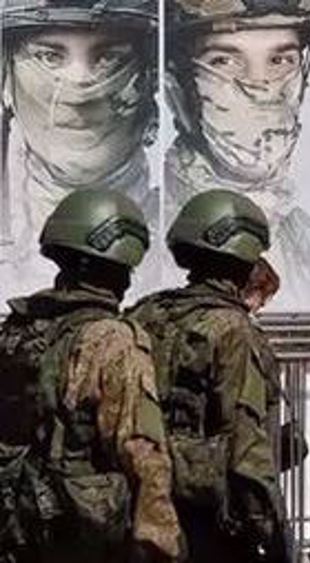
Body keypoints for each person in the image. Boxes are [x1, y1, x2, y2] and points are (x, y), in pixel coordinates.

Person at [0, 189, 181, 562]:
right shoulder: (113, 338)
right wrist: (160, 545)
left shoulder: (21, 327)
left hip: (18, 524)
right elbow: (142, 450)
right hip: (81, 535)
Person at [127, 190, 290, 563]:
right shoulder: (232, 330)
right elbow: (246, 446)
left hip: (142, 503)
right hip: (206, 519)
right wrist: (273, 533)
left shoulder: (144, 314)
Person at [0, 0, 158, 294]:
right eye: (48, 56)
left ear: (150, 79)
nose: (79, 94)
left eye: (109, 57)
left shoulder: (177, 248)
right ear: (7, 75)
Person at [163, 0, 310, 298]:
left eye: (280, 60)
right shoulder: (153, 231)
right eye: (224, 61)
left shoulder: (309, 241)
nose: (260, 87)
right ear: (179, 89)